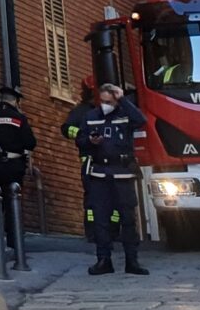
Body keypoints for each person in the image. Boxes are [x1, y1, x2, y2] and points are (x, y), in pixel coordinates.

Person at [63, 80, 147, 275]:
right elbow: (80, 140)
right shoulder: (90, 116)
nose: (106, 105)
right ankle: (103, 260)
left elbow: (141, 120)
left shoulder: (125, 115)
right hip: (99, 174)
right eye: (103, 101)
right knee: (100, 219)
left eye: (110, 101)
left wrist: (123, 99)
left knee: (127, 218)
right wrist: (91, 142)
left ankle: (131, 261)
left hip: (122, 172)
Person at [0, 85, 37, 267]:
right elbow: (30, 142)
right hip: (13, 165)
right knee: (12, 202)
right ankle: (12, 238)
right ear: (15, 101)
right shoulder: (19, 118)